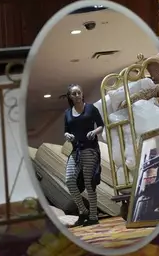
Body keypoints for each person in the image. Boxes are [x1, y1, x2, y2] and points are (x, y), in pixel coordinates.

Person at [63, 84, 104, 227]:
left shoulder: (91, 108)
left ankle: (93, 215)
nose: (77, 95)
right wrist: (67, 135)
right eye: (73, 94)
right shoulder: (68, 113)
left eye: (79, 92)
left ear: (82, 93)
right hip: (76, 150)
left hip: (90, 149)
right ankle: (83, 211)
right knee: (69, 180)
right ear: (70, 97)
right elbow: (66, 130)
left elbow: (101, 125)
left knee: (89, 182)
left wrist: (95, 132)